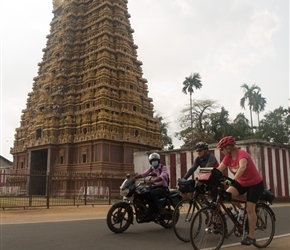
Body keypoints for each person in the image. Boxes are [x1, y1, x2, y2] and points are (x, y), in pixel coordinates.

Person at [216, 136, 264, 246]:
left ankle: (251, 236)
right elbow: (218, 170)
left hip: (255, 184)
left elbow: (242, 168)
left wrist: (232, 180)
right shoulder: (227, 158)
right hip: (242, 182)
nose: (221, 152)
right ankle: (241, 210)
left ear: (228, 148)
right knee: (227, 195)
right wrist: (206, 179)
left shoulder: (242, 154)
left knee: (250, 208)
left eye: (222, 149)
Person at [134, 152, 169, 218]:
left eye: (155, 160)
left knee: (153, 193)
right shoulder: (151, 168)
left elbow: (162, 177)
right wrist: (135, 177)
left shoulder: (163, 168)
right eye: (153, 161)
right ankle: (147, 209)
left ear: (158, 161)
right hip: (154, 187)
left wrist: (153, 181)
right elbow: (144, 174)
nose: (154, 162)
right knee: (143, 192)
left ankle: (157, 210)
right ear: (150, 162)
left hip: (162, 188)